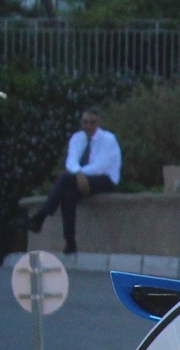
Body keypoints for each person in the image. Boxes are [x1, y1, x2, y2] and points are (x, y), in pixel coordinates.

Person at [26, 107, 120, 254]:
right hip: (79, 178)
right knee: (67, 195)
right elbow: (71, 161)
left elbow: (101, 165)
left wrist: (79, 174)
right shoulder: (78, 138)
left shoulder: (109, 139)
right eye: (85, 122)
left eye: (92, 123)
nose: (88, 126)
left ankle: (40, 218)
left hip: (104, 180)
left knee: (64, 179)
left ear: (98, 122)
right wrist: (78, 174)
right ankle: (70, 242)